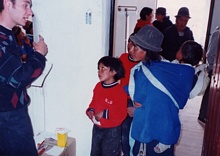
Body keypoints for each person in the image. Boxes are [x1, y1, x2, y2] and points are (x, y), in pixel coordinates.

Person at [126, 25, 203, 155]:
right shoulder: (169, 68)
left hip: (148, 131)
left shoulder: (143, 73)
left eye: (136, 47)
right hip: (166, 129)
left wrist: (135, 111)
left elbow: (139, 102)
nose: (131, 50)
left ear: (147, 50)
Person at [0, 0, 48, 155]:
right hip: (9, 116)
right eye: (25, 5)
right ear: (8, 4)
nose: (30, 12)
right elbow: (19, 78)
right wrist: (40, 55)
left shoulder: (8, 35)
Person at [86, 56, 127, 156]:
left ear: (114, 72)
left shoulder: (120, 92)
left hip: (111, 132)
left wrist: (105, 113)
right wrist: (90, 110)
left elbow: (122, 114)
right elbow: (94, 102)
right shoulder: (98, 87)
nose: (99, 72)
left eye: (103, 68)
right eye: (98, 69)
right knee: (95, 153)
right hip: (97, 129)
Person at [119, 33, 141, 156]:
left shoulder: (142, 63)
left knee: (134, 131)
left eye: (135, 45)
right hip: (125, 100)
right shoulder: (123, 57)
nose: (130, 46)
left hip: (137, 101)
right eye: (129, 42)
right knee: (124, 130)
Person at [198, 26, 220, 125]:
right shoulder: (217, 34)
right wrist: (212, 67)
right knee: (209, 93)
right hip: (214, 68)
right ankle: (203, 115)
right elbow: (210, 53)